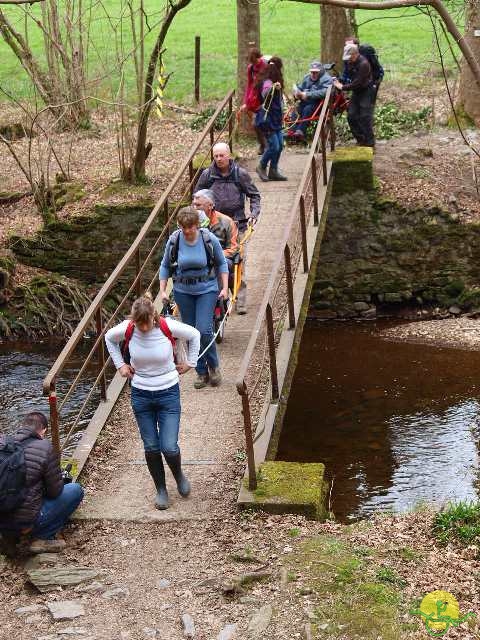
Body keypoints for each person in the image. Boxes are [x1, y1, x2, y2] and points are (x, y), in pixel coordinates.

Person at [105, 295, 200, 510]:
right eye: (139, 324)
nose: (144, 327)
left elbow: (194, 334)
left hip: (168, 393)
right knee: (151, 446)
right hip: (141, 394)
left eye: (146, 322)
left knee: (169, 446)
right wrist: (120, 365)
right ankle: (161, 489)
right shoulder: (128, 328)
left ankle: (179, 476)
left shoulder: (166, 326)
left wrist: (191, 363)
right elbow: (109, 338)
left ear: (153, 317)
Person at [159, 207, 228, 389]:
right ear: (179, 226)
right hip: (183, 290)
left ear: (197, 225)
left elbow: (221, 263)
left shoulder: (208, 239)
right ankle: (201, 372)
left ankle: (213, 367)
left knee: (204, 330)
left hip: (207, 289)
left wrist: (225, 288)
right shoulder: (174, 240)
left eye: (190, 227)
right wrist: (163, 290)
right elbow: (165, 265)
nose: (187, 231)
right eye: (184, 227)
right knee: (189, 332)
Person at [0, 412, 84, 554]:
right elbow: (54, 492)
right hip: (25, 523)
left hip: (2, 520)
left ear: (22, 426)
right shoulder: (44, 447)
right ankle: (43, 535)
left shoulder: (4, 445)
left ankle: (9, 537)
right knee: (76, 490)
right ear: (44, 430)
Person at [196, 142, 260, 314]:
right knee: (209, 260)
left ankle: (239, 300)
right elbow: (197, 198)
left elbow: (254, 195)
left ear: (229, 156)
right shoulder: (207, 175)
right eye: (215, 156)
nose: (218, 159)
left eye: (221, 155)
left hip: (237, 224)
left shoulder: (240, 174)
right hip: (212, 225)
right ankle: (209, 295)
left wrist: (254, 213)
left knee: (237, 262)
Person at [333, 44, 375, 148]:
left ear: (355, 54)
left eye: (350, 57)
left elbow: (357, 83)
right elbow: (347, 75)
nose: (348, 60)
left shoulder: (364, 64)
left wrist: (342, 87)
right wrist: (338, 79)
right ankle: (360, 139)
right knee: (351, 115)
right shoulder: (350, 63)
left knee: (365, 116)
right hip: (356, 92)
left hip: (366, 91)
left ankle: (370, 142)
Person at [255, 57, 287, 182]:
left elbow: (279, 102)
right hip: (267, 121)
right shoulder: (268, 82)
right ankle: (261, 166)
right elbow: (265, 93)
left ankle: (273, 170)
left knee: (280, 146)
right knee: (274, 146)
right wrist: (274, 87)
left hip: (276, 119)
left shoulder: (276, 82)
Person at [192, 189, 239, 271]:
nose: (195, 209)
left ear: (210, 206)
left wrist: (213, 256)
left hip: (221, 258)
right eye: (194, 205)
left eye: (198, 205)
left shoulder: (227, 222)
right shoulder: (190, 221)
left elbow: (234, 249)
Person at [292, 61, 333, 140]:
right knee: (296, 110)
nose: (313, 74)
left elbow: (324, 92)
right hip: (305, 101)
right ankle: (293, 131)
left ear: (320, 71)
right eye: (312, 72)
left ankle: (300, 130)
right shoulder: (307, 77)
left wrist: (307, 94)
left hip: (319, 103)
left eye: (316, 72)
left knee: (307, 109)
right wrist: (296, 93)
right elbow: (300, 87)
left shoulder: (327, 79)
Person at [240, 47, 269, 155]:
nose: (255, 64)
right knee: (256, 124)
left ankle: (268, 146)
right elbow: (249, 86)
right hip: (256, 99)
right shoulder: (250, 68)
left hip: (267, 99)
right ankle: (263, 145)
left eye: (255, 61)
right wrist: (246, 102)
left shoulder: (266, 66)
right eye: (252, 62)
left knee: (263, 123)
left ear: (259, 57)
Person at [340, 37, 384, 103]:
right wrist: (342, 81)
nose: (348, 48)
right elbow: (347, 71)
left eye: (350, 46)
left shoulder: (366, 51)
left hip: (371, 80)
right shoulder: (347, 56)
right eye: (346, 45)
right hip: (357, 81)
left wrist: (374, 83)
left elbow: (376, 69)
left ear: (357, 46)